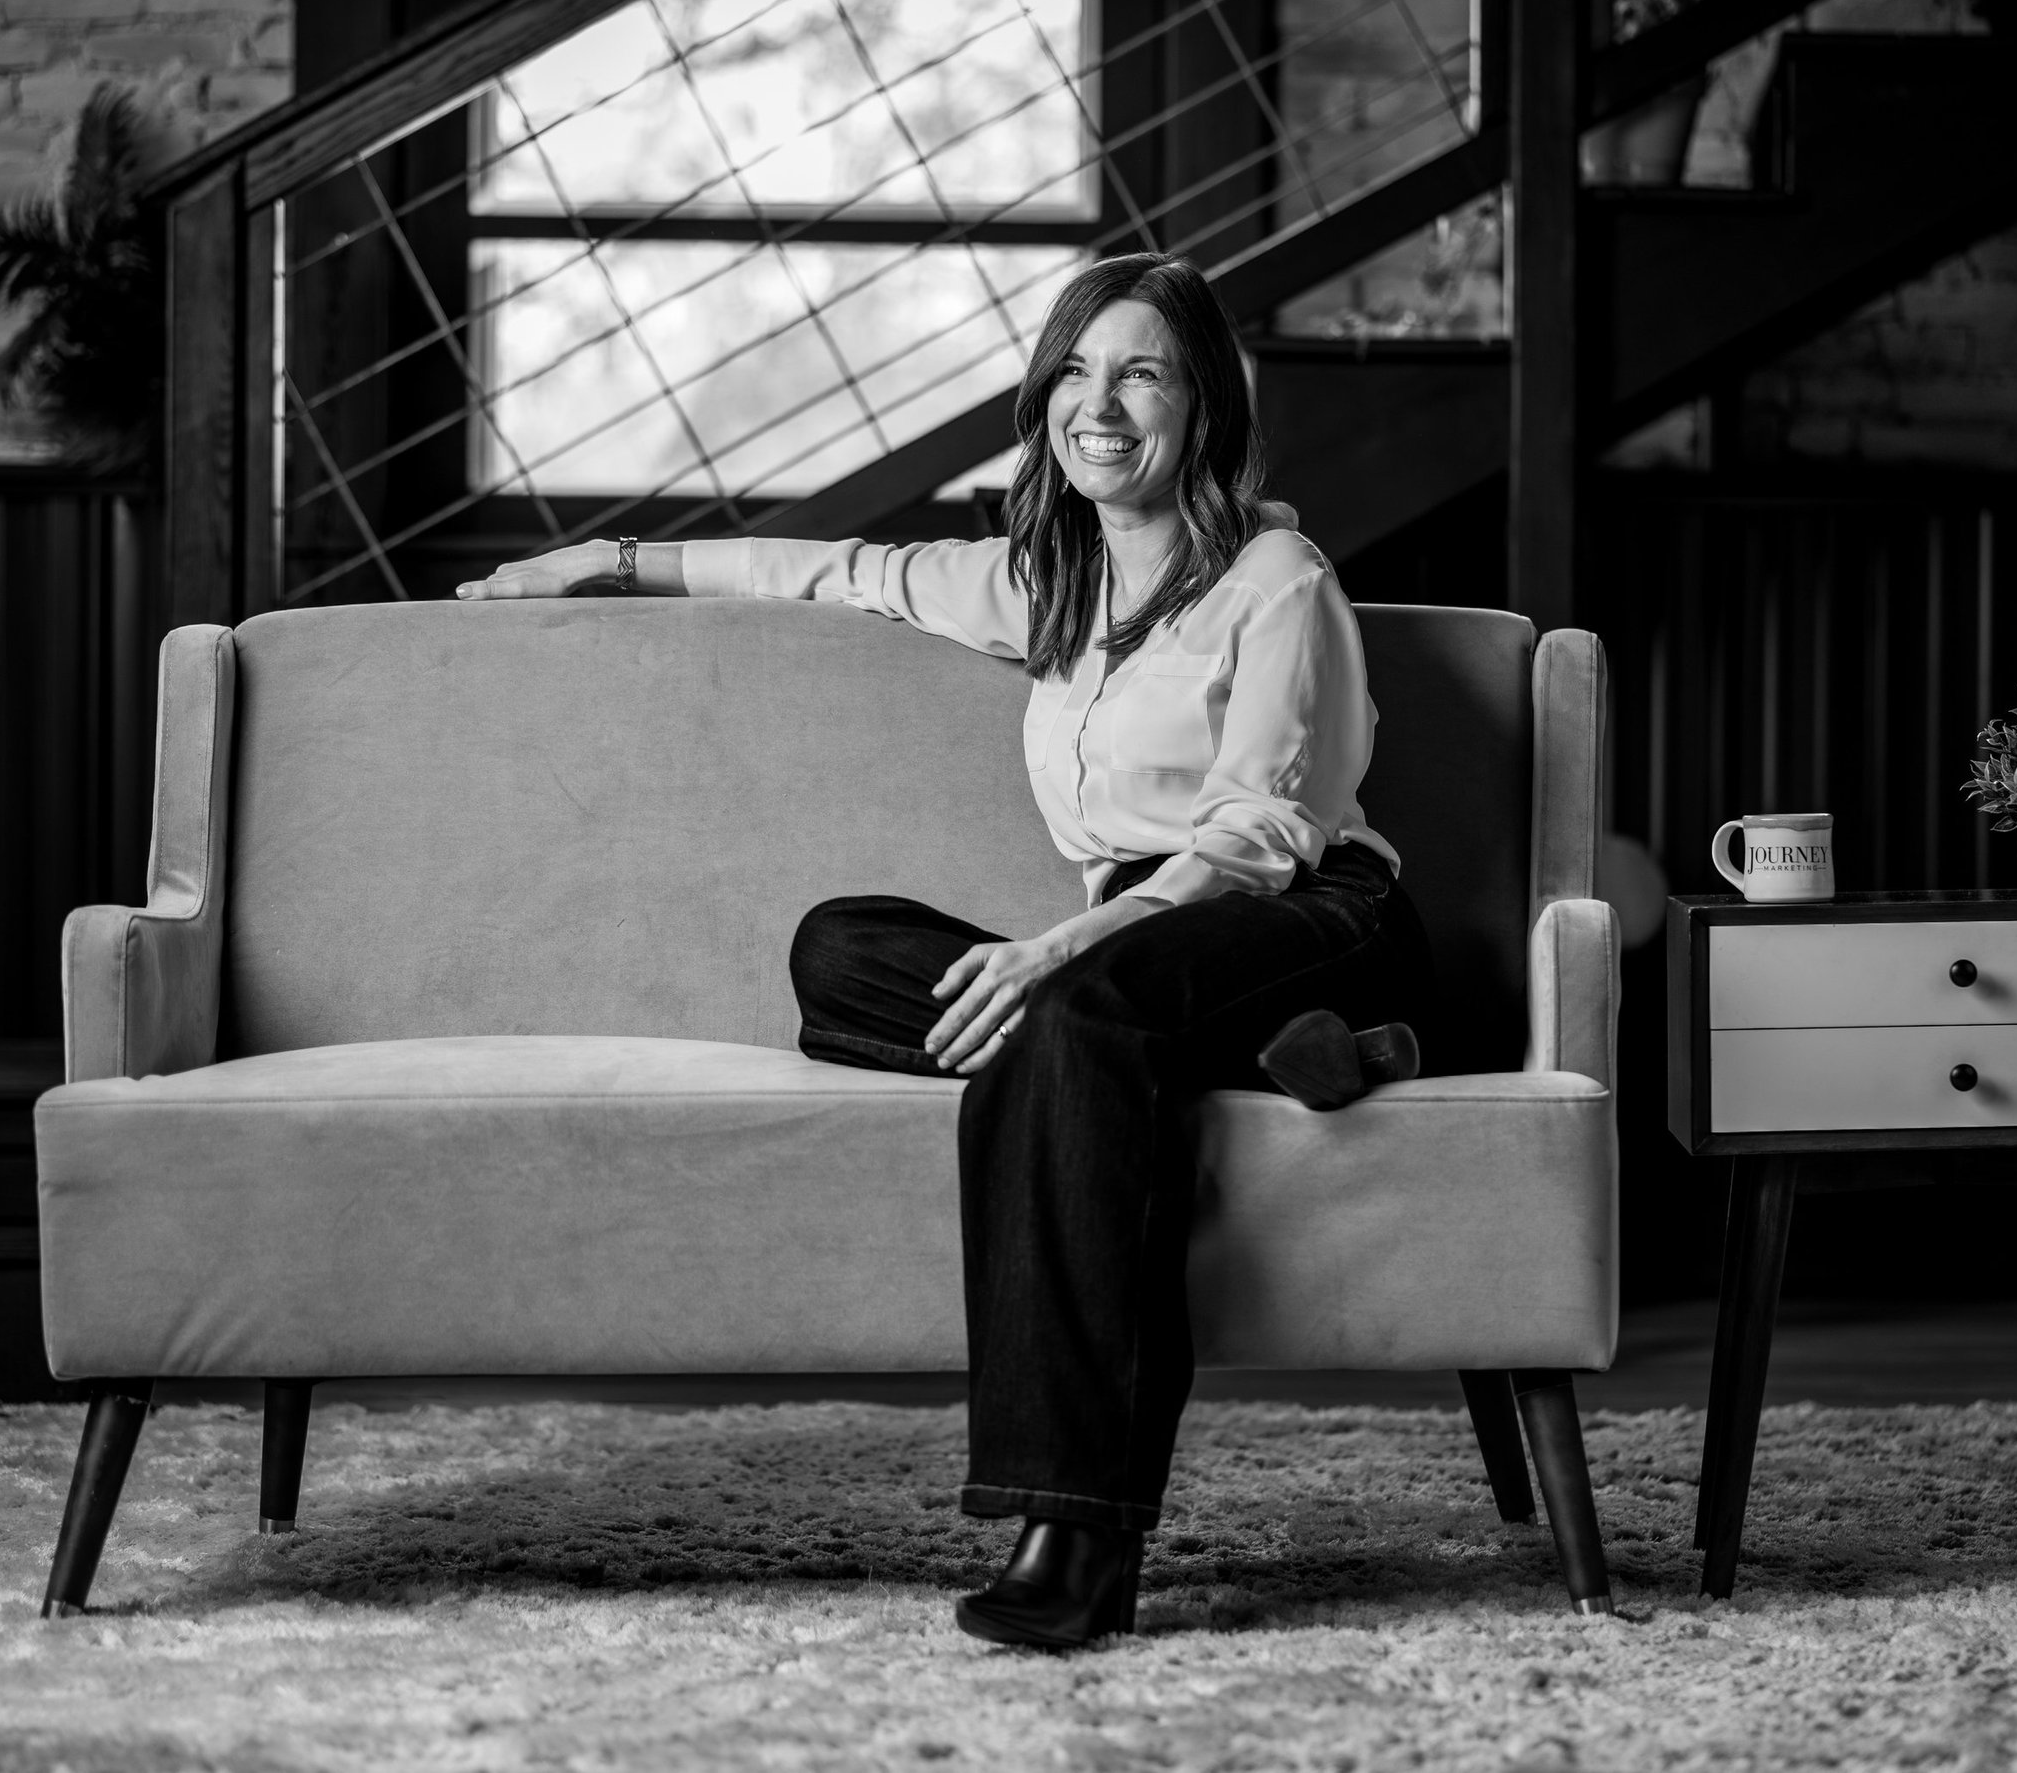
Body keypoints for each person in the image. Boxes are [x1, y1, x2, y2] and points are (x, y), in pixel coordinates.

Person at [456, 252, 1432, 1648]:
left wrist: (1069, 946)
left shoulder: (1275, 576)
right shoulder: (1047, 581)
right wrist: (609, 561)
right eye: (1077, 373)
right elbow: (830, 571)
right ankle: (1282, 1061)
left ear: (1203, 405)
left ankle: (1078, 1532)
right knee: (840, 949)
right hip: (1143, 956)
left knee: (1081, 1017)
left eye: (1143, 373)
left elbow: (1259, 831)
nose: (1102, 406)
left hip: (1306, 914)